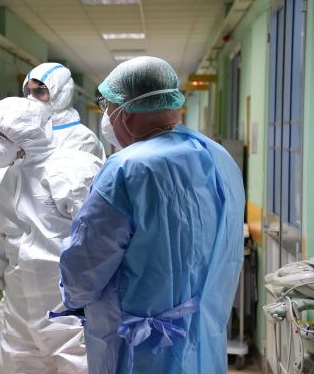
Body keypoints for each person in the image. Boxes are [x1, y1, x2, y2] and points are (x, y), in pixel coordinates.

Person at [59, 56, 245, 374]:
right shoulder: (219, 157)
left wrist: (72, 298)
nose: (106, 115)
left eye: (107, 105)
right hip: (203, 340)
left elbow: (85, 267)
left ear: (127, 111)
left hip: (140, 347)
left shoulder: (127, 168)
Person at [0, 97, 103, 374]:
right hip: (18, 308)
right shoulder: (0, 177)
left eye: (4, 136)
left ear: (29, 136)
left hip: (72, 309)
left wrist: (101, 307)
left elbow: (100, 243)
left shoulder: (73, 170)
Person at [22, 62, 105, 160]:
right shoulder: (24, 129)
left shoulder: (83, 139)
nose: (31, 97)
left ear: (61, 94)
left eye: (39, 91)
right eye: (28, 91)